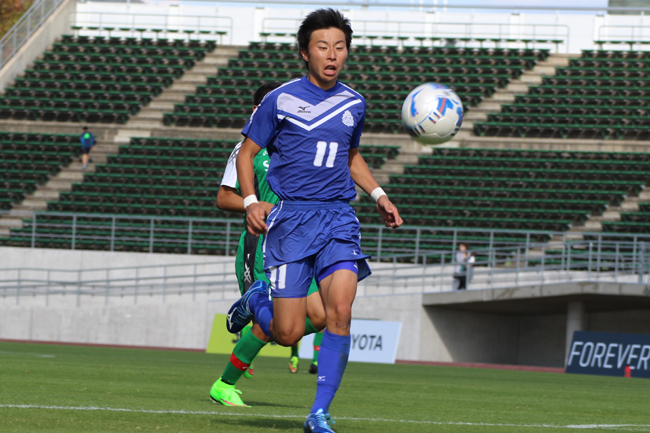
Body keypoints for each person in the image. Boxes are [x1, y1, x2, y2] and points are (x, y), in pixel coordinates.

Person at [225, 9, 403, 432]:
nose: (332, 54)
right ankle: (256, 301)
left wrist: (378, 195)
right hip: (292, 221)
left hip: (339, 217)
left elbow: (351, 156)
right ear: (305, 53)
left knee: (338, 312)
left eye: (340, 47)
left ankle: (318, 413)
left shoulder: (354, 103)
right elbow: (247, 154)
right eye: (323, 46)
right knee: (286, 333)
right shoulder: (279, 99)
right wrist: (250, 202)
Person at [209, 82, 327, 408]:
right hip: (262, 245)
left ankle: (252, 306)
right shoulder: (246, 149)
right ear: (259, 110)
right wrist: (259, 206)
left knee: (320, 315)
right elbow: (224, 197)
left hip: (298, 245)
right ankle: (224, 385)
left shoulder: (296, 146)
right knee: (271, 324)